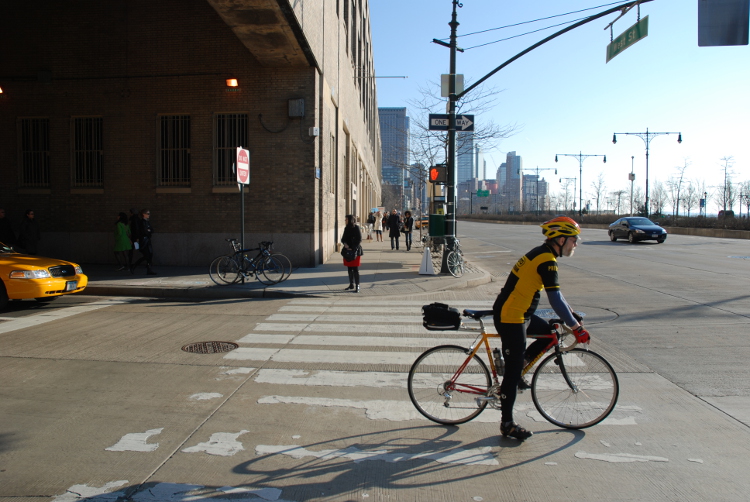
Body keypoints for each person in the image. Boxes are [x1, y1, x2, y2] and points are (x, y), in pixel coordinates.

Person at [492, 216, 590, 441]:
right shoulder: (546, 259)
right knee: (513, 370)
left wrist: (571, 314)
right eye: (574, 240)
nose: (575, 244)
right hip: (511, 316)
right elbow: (554, 299)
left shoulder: (543, 253)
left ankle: (519, 366)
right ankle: (507, 423)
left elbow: (557, 293)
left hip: (520, 313)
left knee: (549, 334)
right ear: (562, 238)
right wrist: (576, 328)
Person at [341, 214, 362, 293]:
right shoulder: (346, 228)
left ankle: (357, 285)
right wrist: (345, 244)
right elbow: (343, 239)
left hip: (355, 251)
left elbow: (359, 239)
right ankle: (351, 284)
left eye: (346, 219)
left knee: (355, 269)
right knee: (349, 268)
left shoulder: (356, 228)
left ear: (350, 220)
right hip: (347, 251)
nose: (345, 221)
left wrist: (352, 247)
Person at [131, 209, 156, 275]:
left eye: (149, 214)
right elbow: (144, 231)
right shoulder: (141, 222)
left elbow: (152, 230)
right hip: (143, 241)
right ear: (143, 214)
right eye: (148, 214)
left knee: (150, 255)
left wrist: (148, 230)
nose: (149, 215)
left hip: (147, 240)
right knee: (146, 256)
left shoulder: (147, 222)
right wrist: (148, 231)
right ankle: (134, 267)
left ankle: (149, 269)